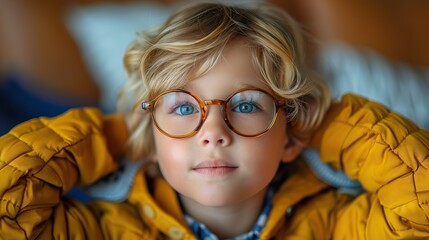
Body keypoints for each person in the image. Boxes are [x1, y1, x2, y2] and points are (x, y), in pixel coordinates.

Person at [0, 2, 428, 239]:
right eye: (183, 108)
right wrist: (121, 135)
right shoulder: (110, 230)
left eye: (244, 105)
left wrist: (323, 125)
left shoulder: (335, 225)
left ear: (291, 133)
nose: (213, 134)